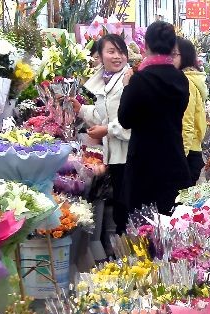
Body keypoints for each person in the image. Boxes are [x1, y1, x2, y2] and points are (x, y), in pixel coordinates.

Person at [118, 21, 191, 228]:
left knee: (143, 228)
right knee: (172, 226)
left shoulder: (140, 80)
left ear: (146, 45)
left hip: (144, 164)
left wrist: (127, 87)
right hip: (174, 160)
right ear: (172, 47)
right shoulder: (181, 79)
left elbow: (125, 119)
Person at [71, 34, 131, 232]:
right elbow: (103, 114)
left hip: (130, 155)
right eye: (111, 51)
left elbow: (134, 119)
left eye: (121, 52)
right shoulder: (106, 80)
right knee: (120, 210)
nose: (117, 57)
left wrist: (108, 130)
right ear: (100, 55)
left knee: (126, 210)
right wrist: (80, 109)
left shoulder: (129, 80)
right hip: (114, 156)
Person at [172, 37, 208, 185]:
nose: (169, 59)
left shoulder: (186, 82)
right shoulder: (188, 79)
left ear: (185, 56)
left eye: (173, 54)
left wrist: (180, 158)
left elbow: (187, 124)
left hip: (187, 153)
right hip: (190, 151)